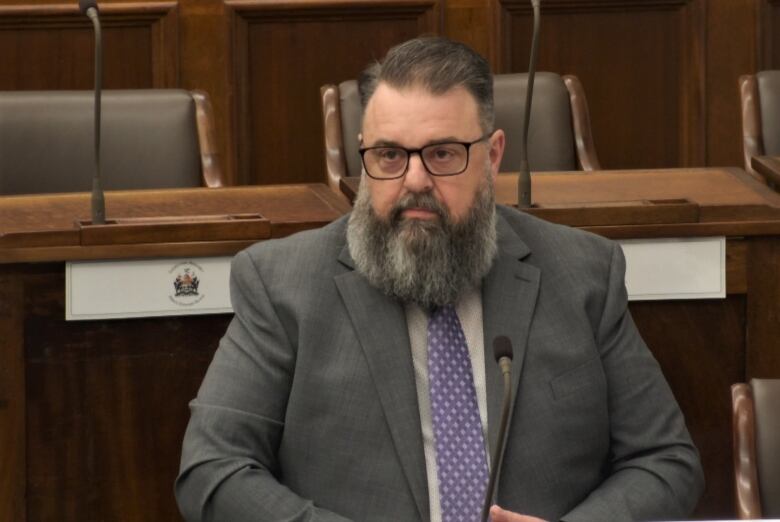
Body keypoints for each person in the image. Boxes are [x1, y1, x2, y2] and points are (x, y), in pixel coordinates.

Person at [175, 36, 704, 522]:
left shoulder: (583, 272)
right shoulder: (282, 283)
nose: (414, 181)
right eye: (389, 155)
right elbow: (212, 467)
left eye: (443, 154)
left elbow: (665, 460)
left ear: (492, 156)